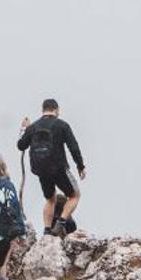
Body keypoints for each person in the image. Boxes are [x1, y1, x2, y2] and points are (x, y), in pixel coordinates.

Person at [17, 99, 86, 236]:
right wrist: (80, 166)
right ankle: (61, 223)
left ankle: (47, 230)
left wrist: (24, 129)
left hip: (41, 170)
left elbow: (21, 146)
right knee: (74, 195)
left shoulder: (33, 127)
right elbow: (73, 147)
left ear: (43, 110)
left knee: (50, 199)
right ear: (56, 110)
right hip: (59, 168)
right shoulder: (62, 125)